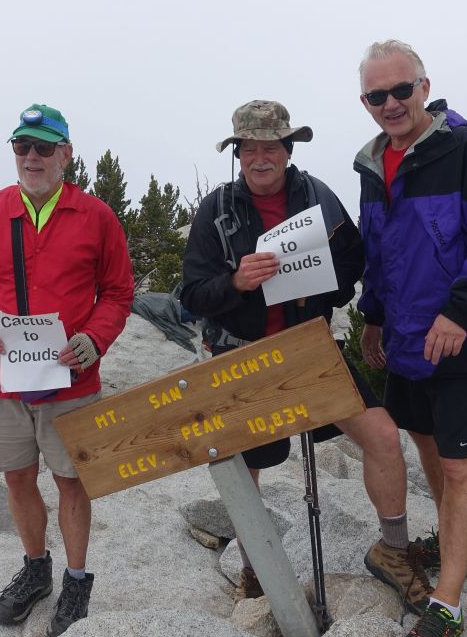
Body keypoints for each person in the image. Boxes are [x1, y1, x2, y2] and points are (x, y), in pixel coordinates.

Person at [181, 100, 419, 606]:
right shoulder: (215, 209)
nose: (259, 157)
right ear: (237, 153)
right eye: (249, 148)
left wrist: (324, 287)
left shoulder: (318, 195)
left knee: (381, 435)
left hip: (308, 348)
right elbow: (193, 294)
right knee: (247, 470)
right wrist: (237, 282)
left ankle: (394, 550)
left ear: (288, 150)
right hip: (240, 357)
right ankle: (254, 571)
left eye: (270, 146)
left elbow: (354, 258)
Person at [354, 41, 467, 637]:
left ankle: (447, 604)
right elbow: (380, 254)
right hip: (407, 342)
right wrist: (373, 316)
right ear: (365, 101)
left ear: (424, 88)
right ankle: (460, 546)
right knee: (428, 447)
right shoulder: (374, 166)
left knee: (460, 467)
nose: (392, 103)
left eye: (402, 90)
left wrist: (458, 313)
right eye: (378, 95)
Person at [0, 104, 134, 636]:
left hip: (70, 380)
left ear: (66, 154)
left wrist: (94, 339)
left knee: (72, 481)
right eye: (22, 146)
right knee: (16, 476)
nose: (31, 157)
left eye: (43, 147)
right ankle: (36, 571)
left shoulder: (96, 216)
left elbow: (119, 291)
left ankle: (76, 578)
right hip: (0, 379)